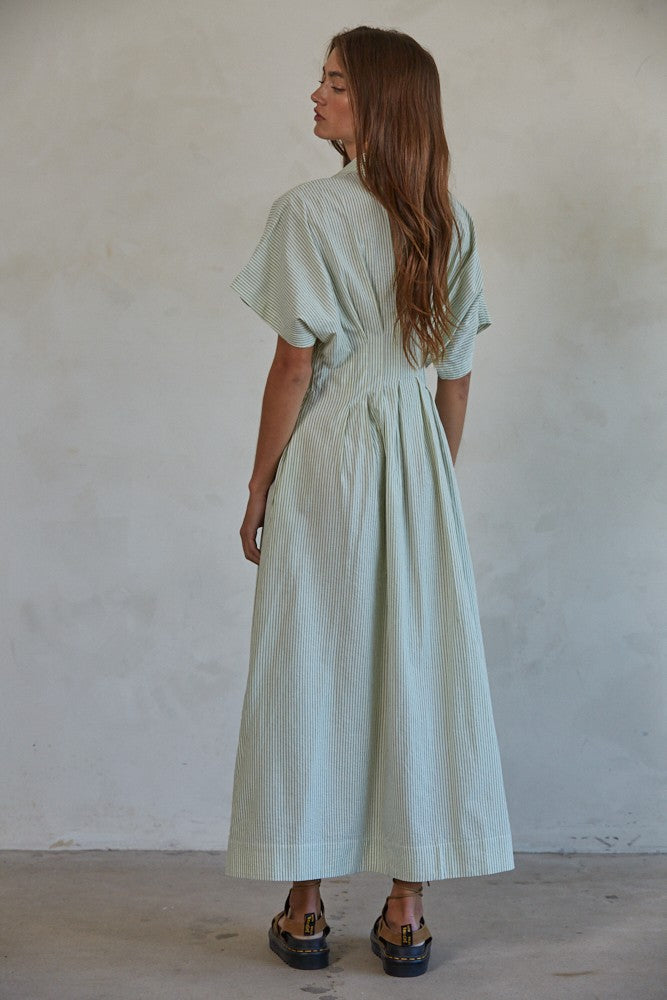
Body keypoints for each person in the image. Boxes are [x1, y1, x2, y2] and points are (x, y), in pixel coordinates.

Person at [225, 25, 514, 978]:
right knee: (414, 667)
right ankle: (405, 909)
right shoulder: (449, 220)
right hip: (416, 457)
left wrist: (259, 482)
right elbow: (455, 380)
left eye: (336, 83)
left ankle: (306, 906)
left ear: (381, 103)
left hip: (328, 456)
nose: (316, 95)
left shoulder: (308, 212)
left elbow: (293, 363)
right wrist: (430, 481)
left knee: (309, 663)